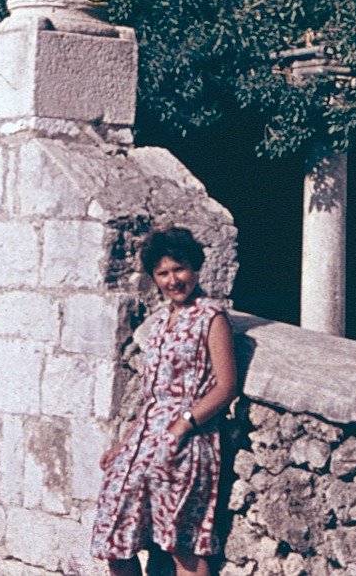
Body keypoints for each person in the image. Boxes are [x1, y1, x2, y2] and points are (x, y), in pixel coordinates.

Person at [91, 227, 238, 576]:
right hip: (142, 443)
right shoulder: (159, 323)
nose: (173, 280)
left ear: (195, 267)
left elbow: (226, 386)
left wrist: (182, 425)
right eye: (163, 273)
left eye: (180, 269)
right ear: (154, 278)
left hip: (186, 440)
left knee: (181, 540)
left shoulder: (211, 317)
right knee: (116, 532)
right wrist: (123, 444)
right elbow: (151, 397)